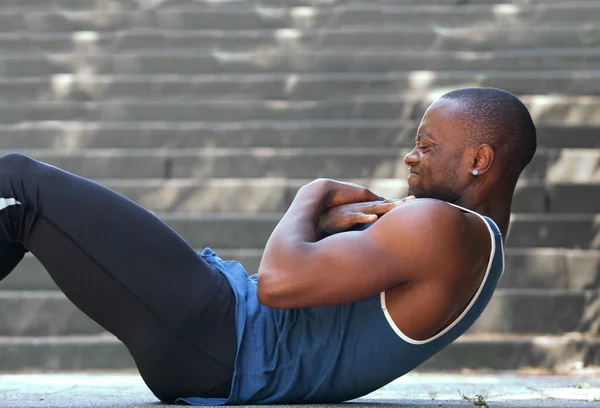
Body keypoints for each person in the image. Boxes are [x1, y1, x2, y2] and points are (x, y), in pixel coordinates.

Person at [0, 87, 536, 405]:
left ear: (478, 161)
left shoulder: (440, 226)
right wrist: (330, 227)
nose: (410, 158)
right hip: (221, 344)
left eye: (426, 145)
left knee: (17, 184)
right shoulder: (475, 244)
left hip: (222, 336)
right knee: (17, 208)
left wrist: (310, 194)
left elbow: (279, 284)